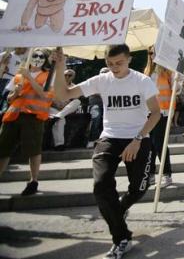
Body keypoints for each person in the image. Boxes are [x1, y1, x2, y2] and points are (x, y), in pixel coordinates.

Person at [54, 44, 161, 259]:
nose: (114, 67)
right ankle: (121, 238)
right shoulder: (101, 80)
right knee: (101, 185)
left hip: (138, 138)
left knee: (140, 188)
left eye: (119, 63)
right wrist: (59, 66)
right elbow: (63, 93)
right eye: (110, 64)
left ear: (129, 59)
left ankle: (120, 208)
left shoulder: (142, 81)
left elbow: (156, 114)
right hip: (110, 138)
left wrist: (137, 139)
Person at [0, 48, 55, 196]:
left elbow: (44, 94)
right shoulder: (18, 75)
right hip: (13, 116)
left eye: (40, 56)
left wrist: (29, 78)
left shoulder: (49, 75)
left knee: (33, 150)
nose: (37, 58)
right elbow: (9, 99)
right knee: (3, 148)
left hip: (33, 117)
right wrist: (16, 92)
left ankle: (33, 181)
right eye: (34, 55)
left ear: (45, 59)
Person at [144, 47, 174, 187]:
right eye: (150, 53)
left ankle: (166, 174)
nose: (152, 55)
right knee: (149, 144)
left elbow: (176, 89)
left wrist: (179, 82)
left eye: (155, 52)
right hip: (148, 112)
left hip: (163, 112)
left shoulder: (168, 71)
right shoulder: (146, 72)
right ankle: (150, 174)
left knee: (159, 143)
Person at [49, 69, 82, 150]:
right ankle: (59, 145)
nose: (67, 77)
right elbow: (49, 97)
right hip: (54, 107)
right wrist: (56, 104)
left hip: (65, 109)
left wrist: (64, 105)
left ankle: (59, 116)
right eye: (65, 75)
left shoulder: (75, 87)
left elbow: (73, 100)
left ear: (73, 77)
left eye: (69, 75)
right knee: (61, 120)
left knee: (77, 101)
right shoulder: (55, 84)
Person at [86, 67, 110, 149]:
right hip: (95, 105)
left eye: (106, 72)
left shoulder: (112, 82)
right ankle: (91, 140)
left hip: (107, 105)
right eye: (102, 72)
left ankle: (107, 141)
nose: (104, 73)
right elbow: (95, 93)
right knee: (96, 118)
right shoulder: (95, 81)